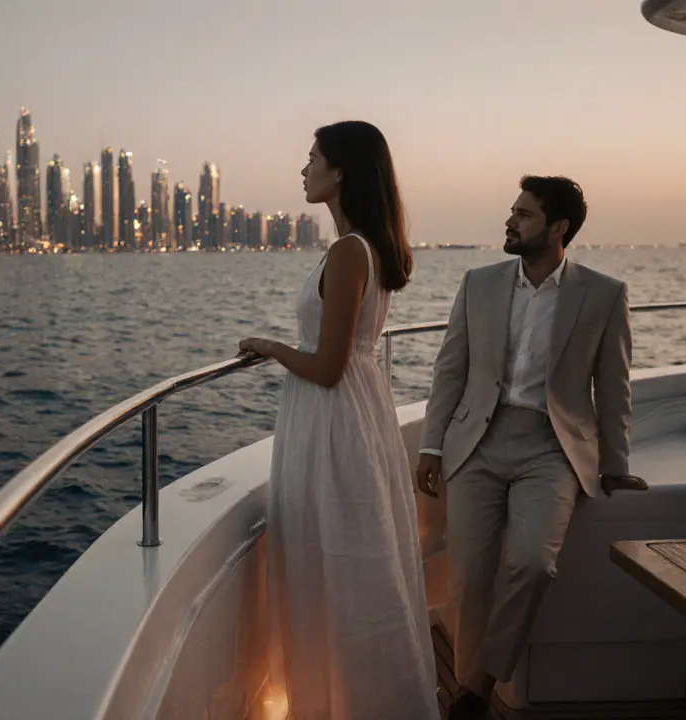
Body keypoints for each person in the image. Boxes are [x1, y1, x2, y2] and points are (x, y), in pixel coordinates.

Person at [414, 175, 641, 720]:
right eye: (512, 211)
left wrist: (615, 463)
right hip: (478, 442)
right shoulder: (479, 283)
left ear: (558, 228)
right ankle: (470, 697)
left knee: (534, 563)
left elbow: (614, 386)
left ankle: (477, 682)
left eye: (524, 214)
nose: (510, 221)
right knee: (468, 579)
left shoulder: (604, 294)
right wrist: (431, 447)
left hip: (551, 448)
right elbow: (451, 371)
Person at [237, 120, 438, 719]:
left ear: (341, 171)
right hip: (352, 412)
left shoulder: (350, 251)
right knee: (353, 556)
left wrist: (272, 347)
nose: (304, 170)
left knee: (335, 561)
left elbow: (327, 367)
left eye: (313, 158)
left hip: (333, 418)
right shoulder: (363, 246)